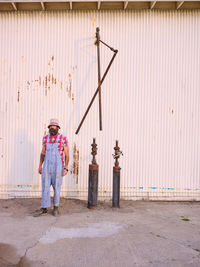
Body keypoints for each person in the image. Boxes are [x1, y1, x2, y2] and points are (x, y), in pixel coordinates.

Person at [34, 118, 69, 217]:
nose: (52, 129)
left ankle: (56, 208)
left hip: (58, 167)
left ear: (58, 128)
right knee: (45, 187)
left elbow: (67, 154)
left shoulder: (63, 138)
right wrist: (40, 166)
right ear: (49, 128)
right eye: (51, 127)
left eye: (54, 127)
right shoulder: (45, 138)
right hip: (46, 167)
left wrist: (65, 167)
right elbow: (43, 153)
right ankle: (44, 208)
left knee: (57, 187)